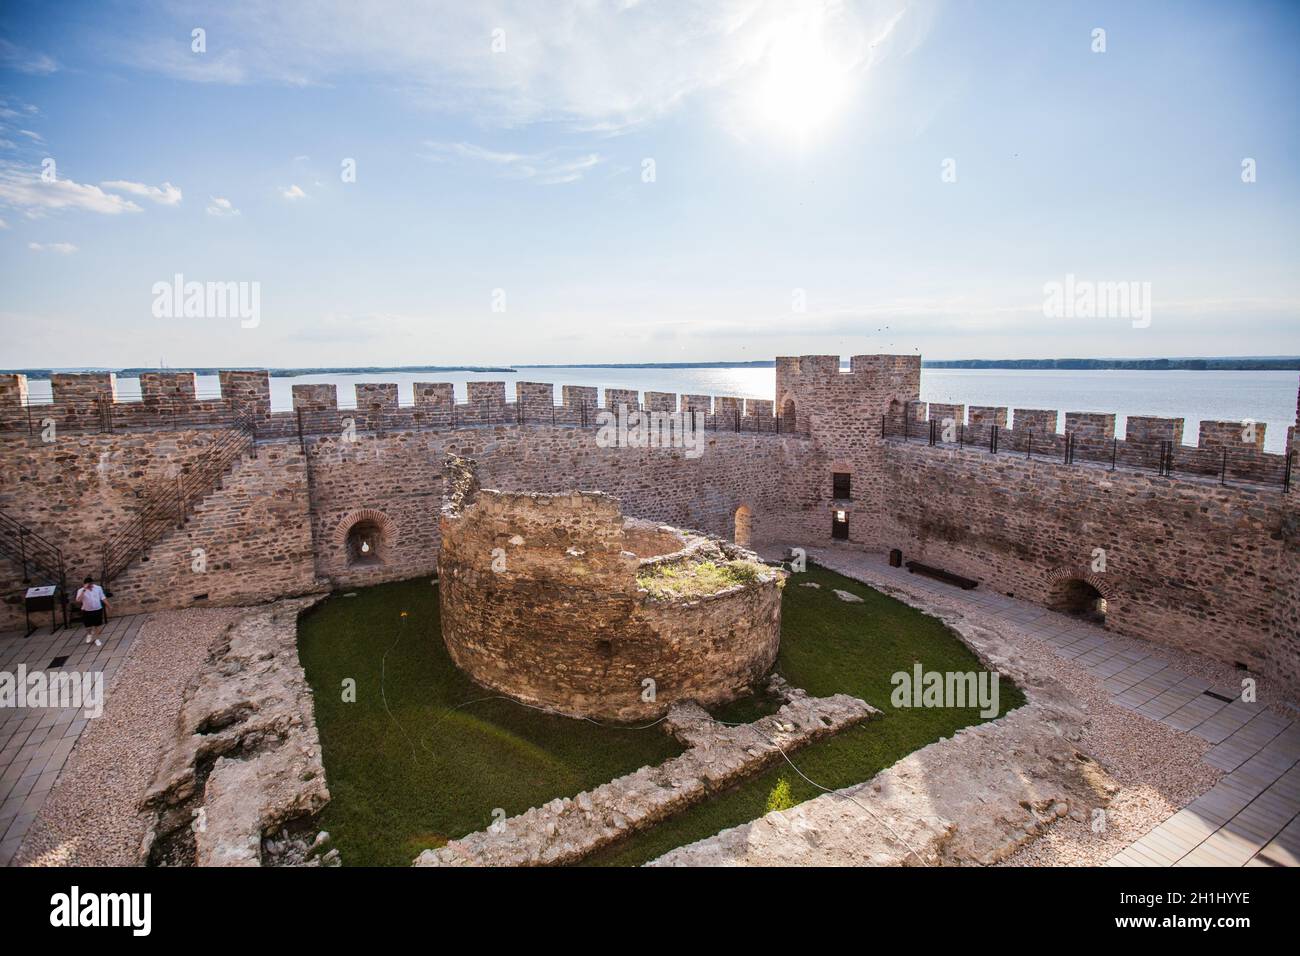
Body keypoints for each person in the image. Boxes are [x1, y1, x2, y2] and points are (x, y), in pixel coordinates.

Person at [76, 575, 109, 647]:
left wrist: (108, 605)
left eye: (91, 585)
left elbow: (102, 597)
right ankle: (89, 634)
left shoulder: (98, 588)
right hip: (87, 610)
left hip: (97, 609)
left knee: (97, 625)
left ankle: (97, 639)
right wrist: (84, 590)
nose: (90, 586)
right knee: (88, 626)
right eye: (89, 585)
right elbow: (78, 600)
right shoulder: (81, 590)